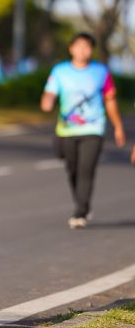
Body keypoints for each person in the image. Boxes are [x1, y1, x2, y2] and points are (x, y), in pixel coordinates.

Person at [40, 32, 126, 229]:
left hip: (93, 128)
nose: (82, 50)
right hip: (67, 130)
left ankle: (80, 211)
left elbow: (110, 100)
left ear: (91, 50)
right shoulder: (60, 71)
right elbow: (50, 92)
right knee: (72, 169)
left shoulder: (101, 71)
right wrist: (47, 101)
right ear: (71, 49)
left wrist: (118, 126)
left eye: (87, 47)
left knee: (86, 169)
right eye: (78, 46)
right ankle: (82, 204)